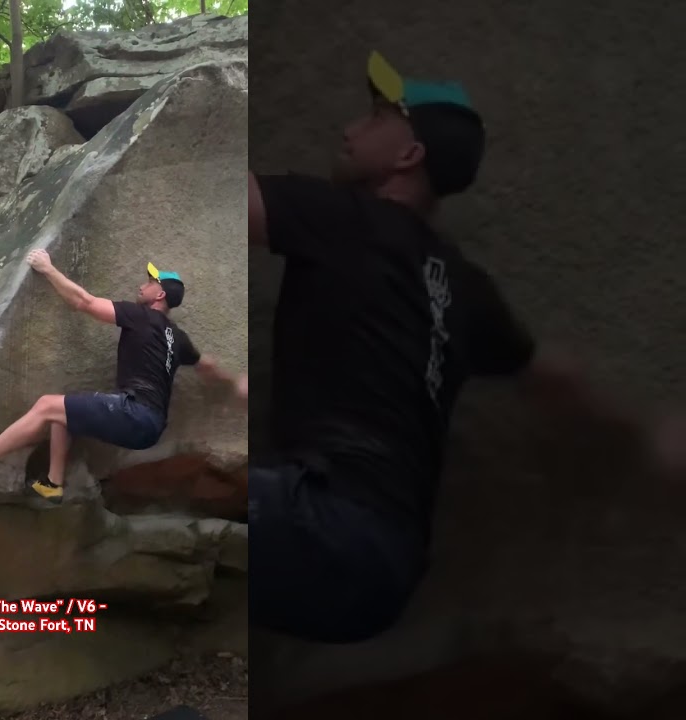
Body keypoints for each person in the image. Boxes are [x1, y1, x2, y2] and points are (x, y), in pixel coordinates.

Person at [248, 51, 686, 644]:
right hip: (386, 576)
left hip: (319, 520)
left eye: (376, 118)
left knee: (155, 507)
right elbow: (562, 380)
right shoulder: (467, 288)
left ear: (409, 154)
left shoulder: (341, 218)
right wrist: (648, 434)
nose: (350, 129)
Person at [0, 247, 245, 500]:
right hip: (150, 426)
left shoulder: (140, 316)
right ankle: (53, 483)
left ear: (160, 294)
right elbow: (207, 366)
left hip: (134, 413)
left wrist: (48, 268)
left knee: (45, 406)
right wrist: (235, 383)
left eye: (150, 282)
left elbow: (84, 302)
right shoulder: (179, 338)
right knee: (63, 412)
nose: (142, 285)